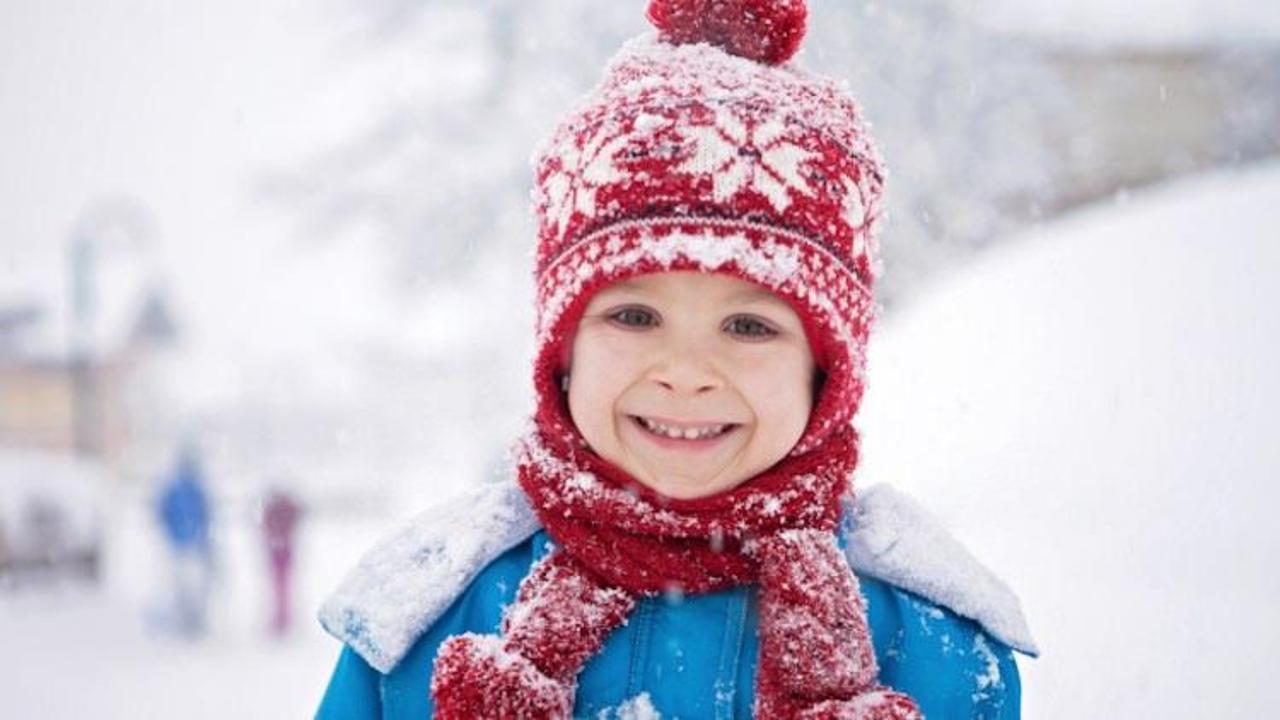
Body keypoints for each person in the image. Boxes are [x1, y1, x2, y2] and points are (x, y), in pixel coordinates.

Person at [317, 1, 1038, 717]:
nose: (686, 371)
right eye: (635, 316)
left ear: (826, 374)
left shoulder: (932, 645)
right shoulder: (435, 616)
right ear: (561, 353)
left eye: (749, 326)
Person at [156, 445, 213, 637]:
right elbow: (163, 514)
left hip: (189, 545)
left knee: (189, 585)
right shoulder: (181, 489)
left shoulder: (185, 489)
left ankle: (192, 620)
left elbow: (205, 514)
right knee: (188, 585)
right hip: (185, 545)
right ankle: (189, 620)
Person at [260, 486, 302, 636]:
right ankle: (282, 618)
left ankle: (283, 618)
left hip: (280, 550)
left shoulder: (276, 509)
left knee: (281, 587)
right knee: (281, 587)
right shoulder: (282, 508)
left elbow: (265, 525)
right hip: (280, 550)